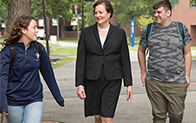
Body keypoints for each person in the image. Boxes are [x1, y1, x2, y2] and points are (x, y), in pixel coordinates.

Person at [75, 0, 133, 123]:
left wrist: (128, 84)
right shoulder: (86, 32)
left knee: (107, 118)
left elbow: (125, 59)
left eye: (101, 12)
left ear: (109, 13)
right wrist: (80, 84)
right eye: (95, 13)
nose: (98, 15)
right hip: (92, 79)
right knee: (97, 117)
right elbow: (81, 60)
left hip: (112, 79)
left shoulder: (119, 33)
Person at [0, 15, 64, 123]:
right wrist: (2, 103)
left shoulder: (39, 49)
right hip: (13, 102)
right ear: (23, 30)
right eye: (34, 27)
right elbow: (2, 78)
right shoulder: (8, 51)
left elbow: (48, 74)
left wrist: (58, 97)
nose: (37, 31)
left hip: (34, 99)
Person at [138, 0, 192, 123]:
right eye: (154, 12)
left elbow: (187, 53)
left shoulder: (181, 28)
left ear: (168, 12)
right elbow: (141, 51)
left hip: (177, 82)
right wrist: (143, 72)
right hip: (154, 82)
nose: (156, 15)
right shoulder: (148, 29)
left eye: (159, 12)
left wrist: (187, 76)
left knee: (176, 116)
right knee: (158, 117)